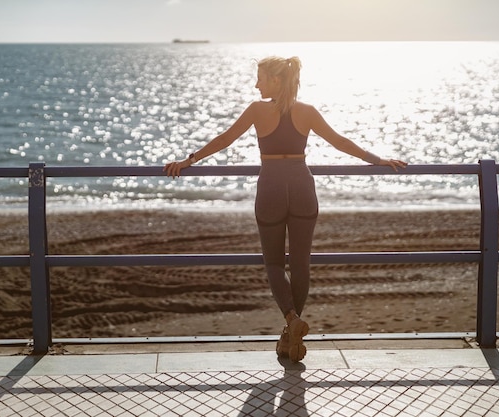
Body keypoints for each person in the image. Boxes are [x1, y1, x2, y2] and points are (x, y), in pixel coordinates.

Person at [164, 56, 407, 362]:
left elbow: (225, 139)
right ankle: (289, 335)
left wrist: (189, 161)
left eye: (261, 78)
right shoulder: (307, 111)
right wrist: (379, 160)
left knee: (275, 264)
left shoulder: (256, 109)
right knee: (301, 263)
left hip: (272, 188)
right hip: (302, 186)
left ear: (276, 81)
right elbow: (339, 142)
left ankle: (292, 321)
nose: (256, 84)